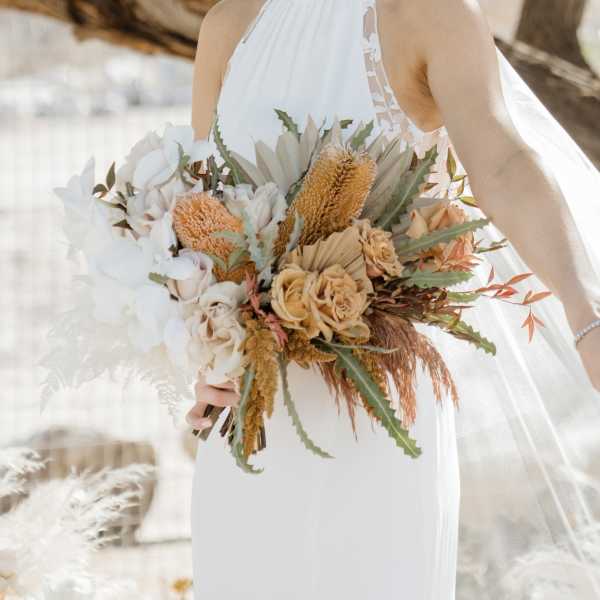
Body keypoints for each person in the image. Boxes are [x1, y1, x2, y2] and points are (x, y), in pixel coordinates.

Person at [187, 1, 600, 598]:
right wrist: (198, 349)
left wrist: (585, 308)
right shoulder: (227, 27)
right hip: (252, 420)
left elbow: (505, 164)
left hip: (380, 412)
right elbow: (197, 218)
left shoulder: (431, 14)